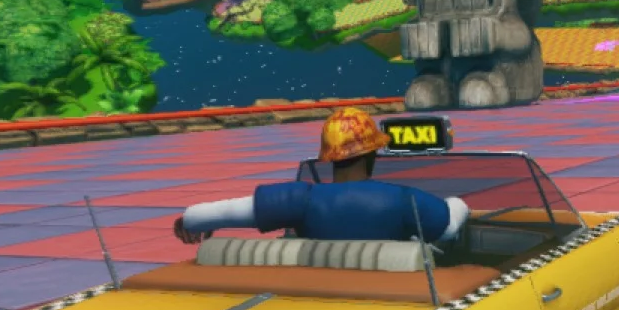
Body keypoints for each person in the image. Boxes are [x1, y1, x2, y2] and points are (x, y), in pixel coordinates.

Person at [173, 108, 470, 245]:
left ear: (328, 156)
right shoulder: (404, 200)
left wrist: (190, 221)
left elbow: (211, 214)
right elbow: (448, 229)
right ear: (372, 154)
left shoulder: (300, 199)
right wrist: (459, 203)